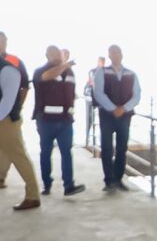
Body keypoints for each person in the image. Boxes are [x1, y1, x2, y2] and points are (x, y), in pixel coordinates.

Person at [33, 45, 86, 197]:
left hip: (65, 121)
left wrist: (71, 109)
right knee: (45, 153)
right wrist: (66, 64)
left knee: (67, 152)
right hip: (46, 121)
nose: (57, 56)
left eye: (59, 54)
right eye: (54, 53)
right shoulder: (40, 71)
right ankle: (47, 184)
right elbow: (48, 76)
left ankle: (69, 185)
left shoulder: (69, 72)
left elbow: (71, 93)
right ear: (47, 55)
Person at [0, 31, 41, 210]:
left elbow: (7, 102)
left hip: (6, 120)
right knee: (6, 152)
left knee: (18, 156)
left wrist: (17, 110)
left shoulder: (9, 69)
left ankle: (33, 195)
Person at [93, 44, 140, 191]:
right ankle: (109, 180)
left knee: (122, 148)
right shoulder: (102, 72)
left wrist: (124, 108)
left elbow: (137, 95)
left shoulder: (131, 74)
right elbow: (98, 93)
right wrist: (113, 108)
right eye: (113, 53)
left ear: (121, 54)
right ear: (109, 55)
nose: (116, 55)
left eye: (118, 52)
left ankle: (118, 179)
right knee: (106, 148)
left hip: (125, 116)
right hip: (107, 115)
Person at [83, 56, 105, 147]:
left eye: (103, 62)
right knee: (89, 119)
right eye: (101, 62)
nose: (102, 64)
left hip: (101, 99)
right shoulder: (92, 71)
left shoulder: (105, 72)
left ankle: (100, 140)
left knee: (102, 120)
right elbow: (92, 82)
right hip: (91, 97)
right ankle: (87, 139)